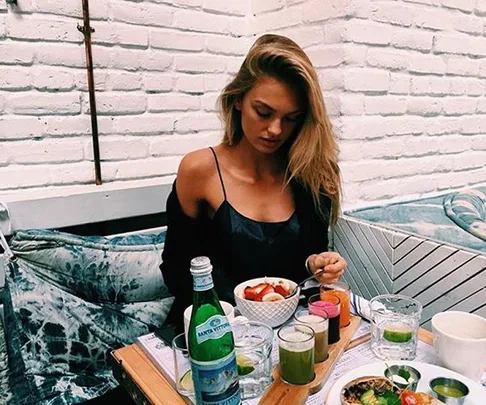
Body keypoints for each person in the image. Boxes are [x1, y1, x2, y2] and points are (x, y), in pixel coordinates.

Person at [161, 34, 347, 332]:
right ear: (237, 99)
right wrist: (226, 324)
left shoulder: (312, 174)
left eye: (291, 118)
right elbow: (176, 270)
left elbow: (308, 260)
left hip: (289, 332)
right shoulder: (200, 171)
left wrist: (317, 265)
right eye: (263, 112)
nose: (275, 130)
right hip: (213, 332)